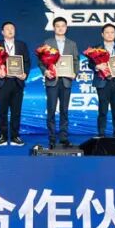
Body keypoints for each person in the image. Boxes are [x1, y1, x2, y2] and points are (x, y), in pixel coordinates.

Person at [0, 21, 30, 146]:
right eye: (7, 29)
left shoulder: (21, 45)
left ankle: (15, 136)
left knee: (16, 111)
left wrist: (25, 73)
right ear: (2, 32)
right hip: (3, 82)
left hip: (17, 82)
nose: (10, 30)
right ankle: (2, 136)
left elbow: (27, 62)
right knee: (2, 111)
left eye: (12, 28)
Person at [42, 17, 78, 148]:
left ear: (66, 28)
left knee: (64, 110)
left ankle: (63, 138)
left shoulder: (72, 44)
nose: (60, 28)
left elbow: (76, 61)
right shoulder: (47, 42)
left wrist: (75, 72)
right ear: (54, 28)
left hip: (66, 81)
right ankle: (52, 138)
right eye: (58, 26)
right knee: (51, 110)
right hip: (52, 80)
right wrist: (45, 71)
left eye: (63, 26)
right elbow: (41, 61)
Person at [89, 23, 115, 137]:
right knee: (102, 110)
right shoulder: (96, 49)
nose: (110, 35)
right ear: (102, 34)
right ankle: (101, 134)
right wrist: (97, 66)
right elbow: (90, 64)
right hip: (102, 82)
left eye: (112, 32)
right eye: (107, 32)